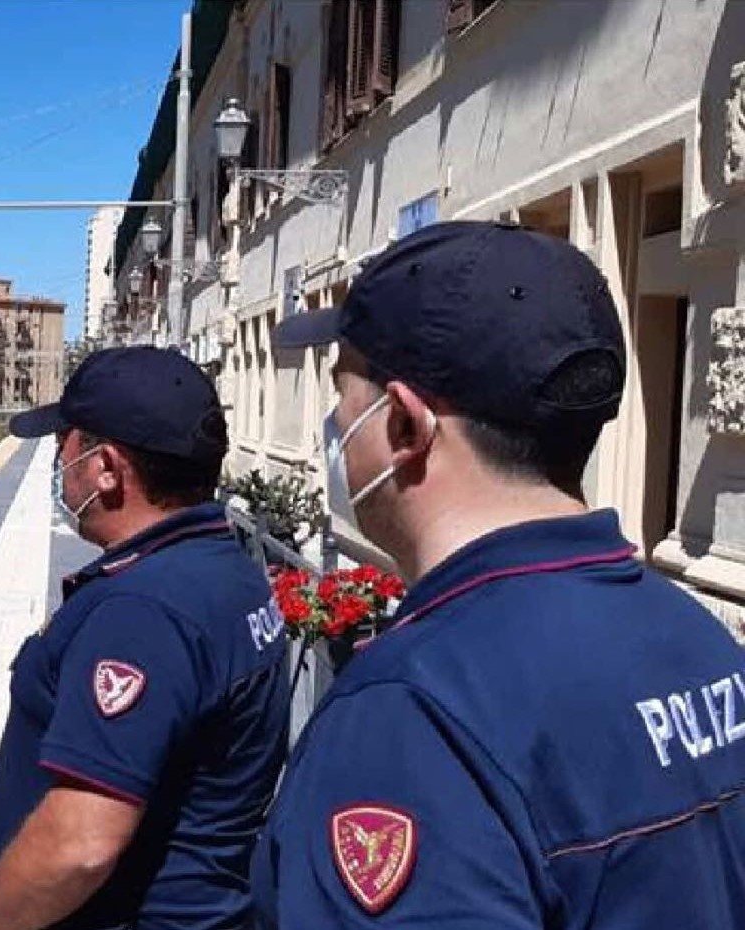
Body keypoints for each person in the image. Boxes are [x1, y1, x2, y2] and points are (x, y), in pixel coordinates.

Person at [254, 220, 745, 927]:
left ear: (404, 426)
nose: (332, 424)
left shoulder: (411, 712)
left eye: (341, 393)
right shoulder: (693, 634)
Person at [0, 346, 292, 930]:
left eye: (64, 443)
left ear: (106, 467)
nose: (58, 462)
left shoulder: (143, 611)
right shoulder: (227, 570)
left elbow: (80, 844)